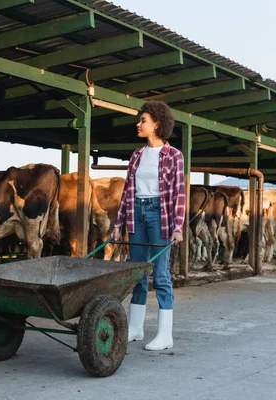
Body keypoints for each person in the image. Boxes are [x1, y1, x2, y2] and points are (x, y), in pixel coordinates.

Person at [111, 101, 185, 351]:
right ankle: (135, 328)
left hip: (159, 216)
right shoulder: (137, 155)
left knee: (161, 275)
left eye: (143, 120)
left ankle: (165, 335)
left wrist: (178, 227)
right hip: (136, 213)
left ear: (157, 124)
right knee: (137, 273)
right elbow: (127, 192)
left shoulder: (174, 156)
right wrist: (117, 223)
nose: (138, 124)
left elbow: (179, 193)